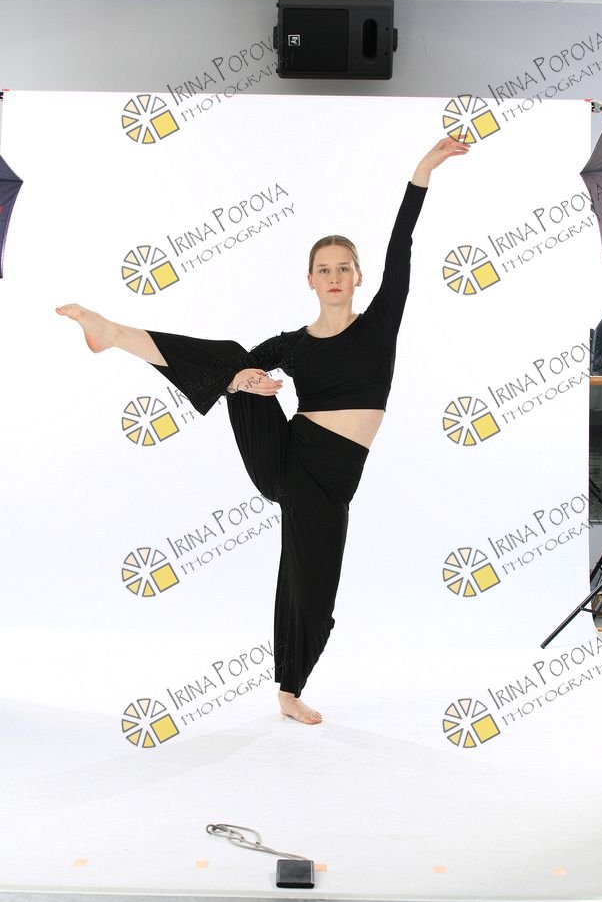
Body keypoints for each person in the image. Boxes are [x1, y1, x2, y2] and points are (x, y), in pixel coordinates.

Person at [56, 136, 469, 725]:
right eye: (323, 269)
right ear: (310, 279)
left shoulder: (380, 323)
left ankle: (288, 691)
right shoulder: (293, 344)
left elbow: (401, 243)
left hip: (330, 483)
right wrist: (246, 379)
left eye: (343, 268)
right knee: (230, 359)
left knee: (312, 587)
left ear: (358, 277)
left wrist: (422, 171)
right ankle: (114, 334)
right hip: (286, 459)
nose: (334, 276)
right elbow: (229, 368)